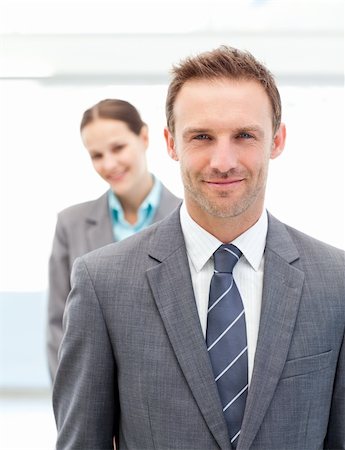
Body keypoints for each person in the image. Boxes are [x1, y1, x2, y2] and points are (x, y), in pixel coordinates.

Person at [53, 47, 345, 449]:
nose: (223, 162)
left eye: (244, 135)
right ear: (172, 144)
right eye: (202, 137)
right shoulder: (102, 283)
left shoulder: (335, 281)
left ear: (276, 140)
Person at [46, 99, 181, 380]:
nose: (109, 164)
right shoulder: (71, 224)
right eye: (96, 155)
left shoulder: (188, 219)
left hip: (166, 396)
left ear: (144, 137)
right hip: (93, 391)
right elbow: (59, 325)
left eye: (118, 148)